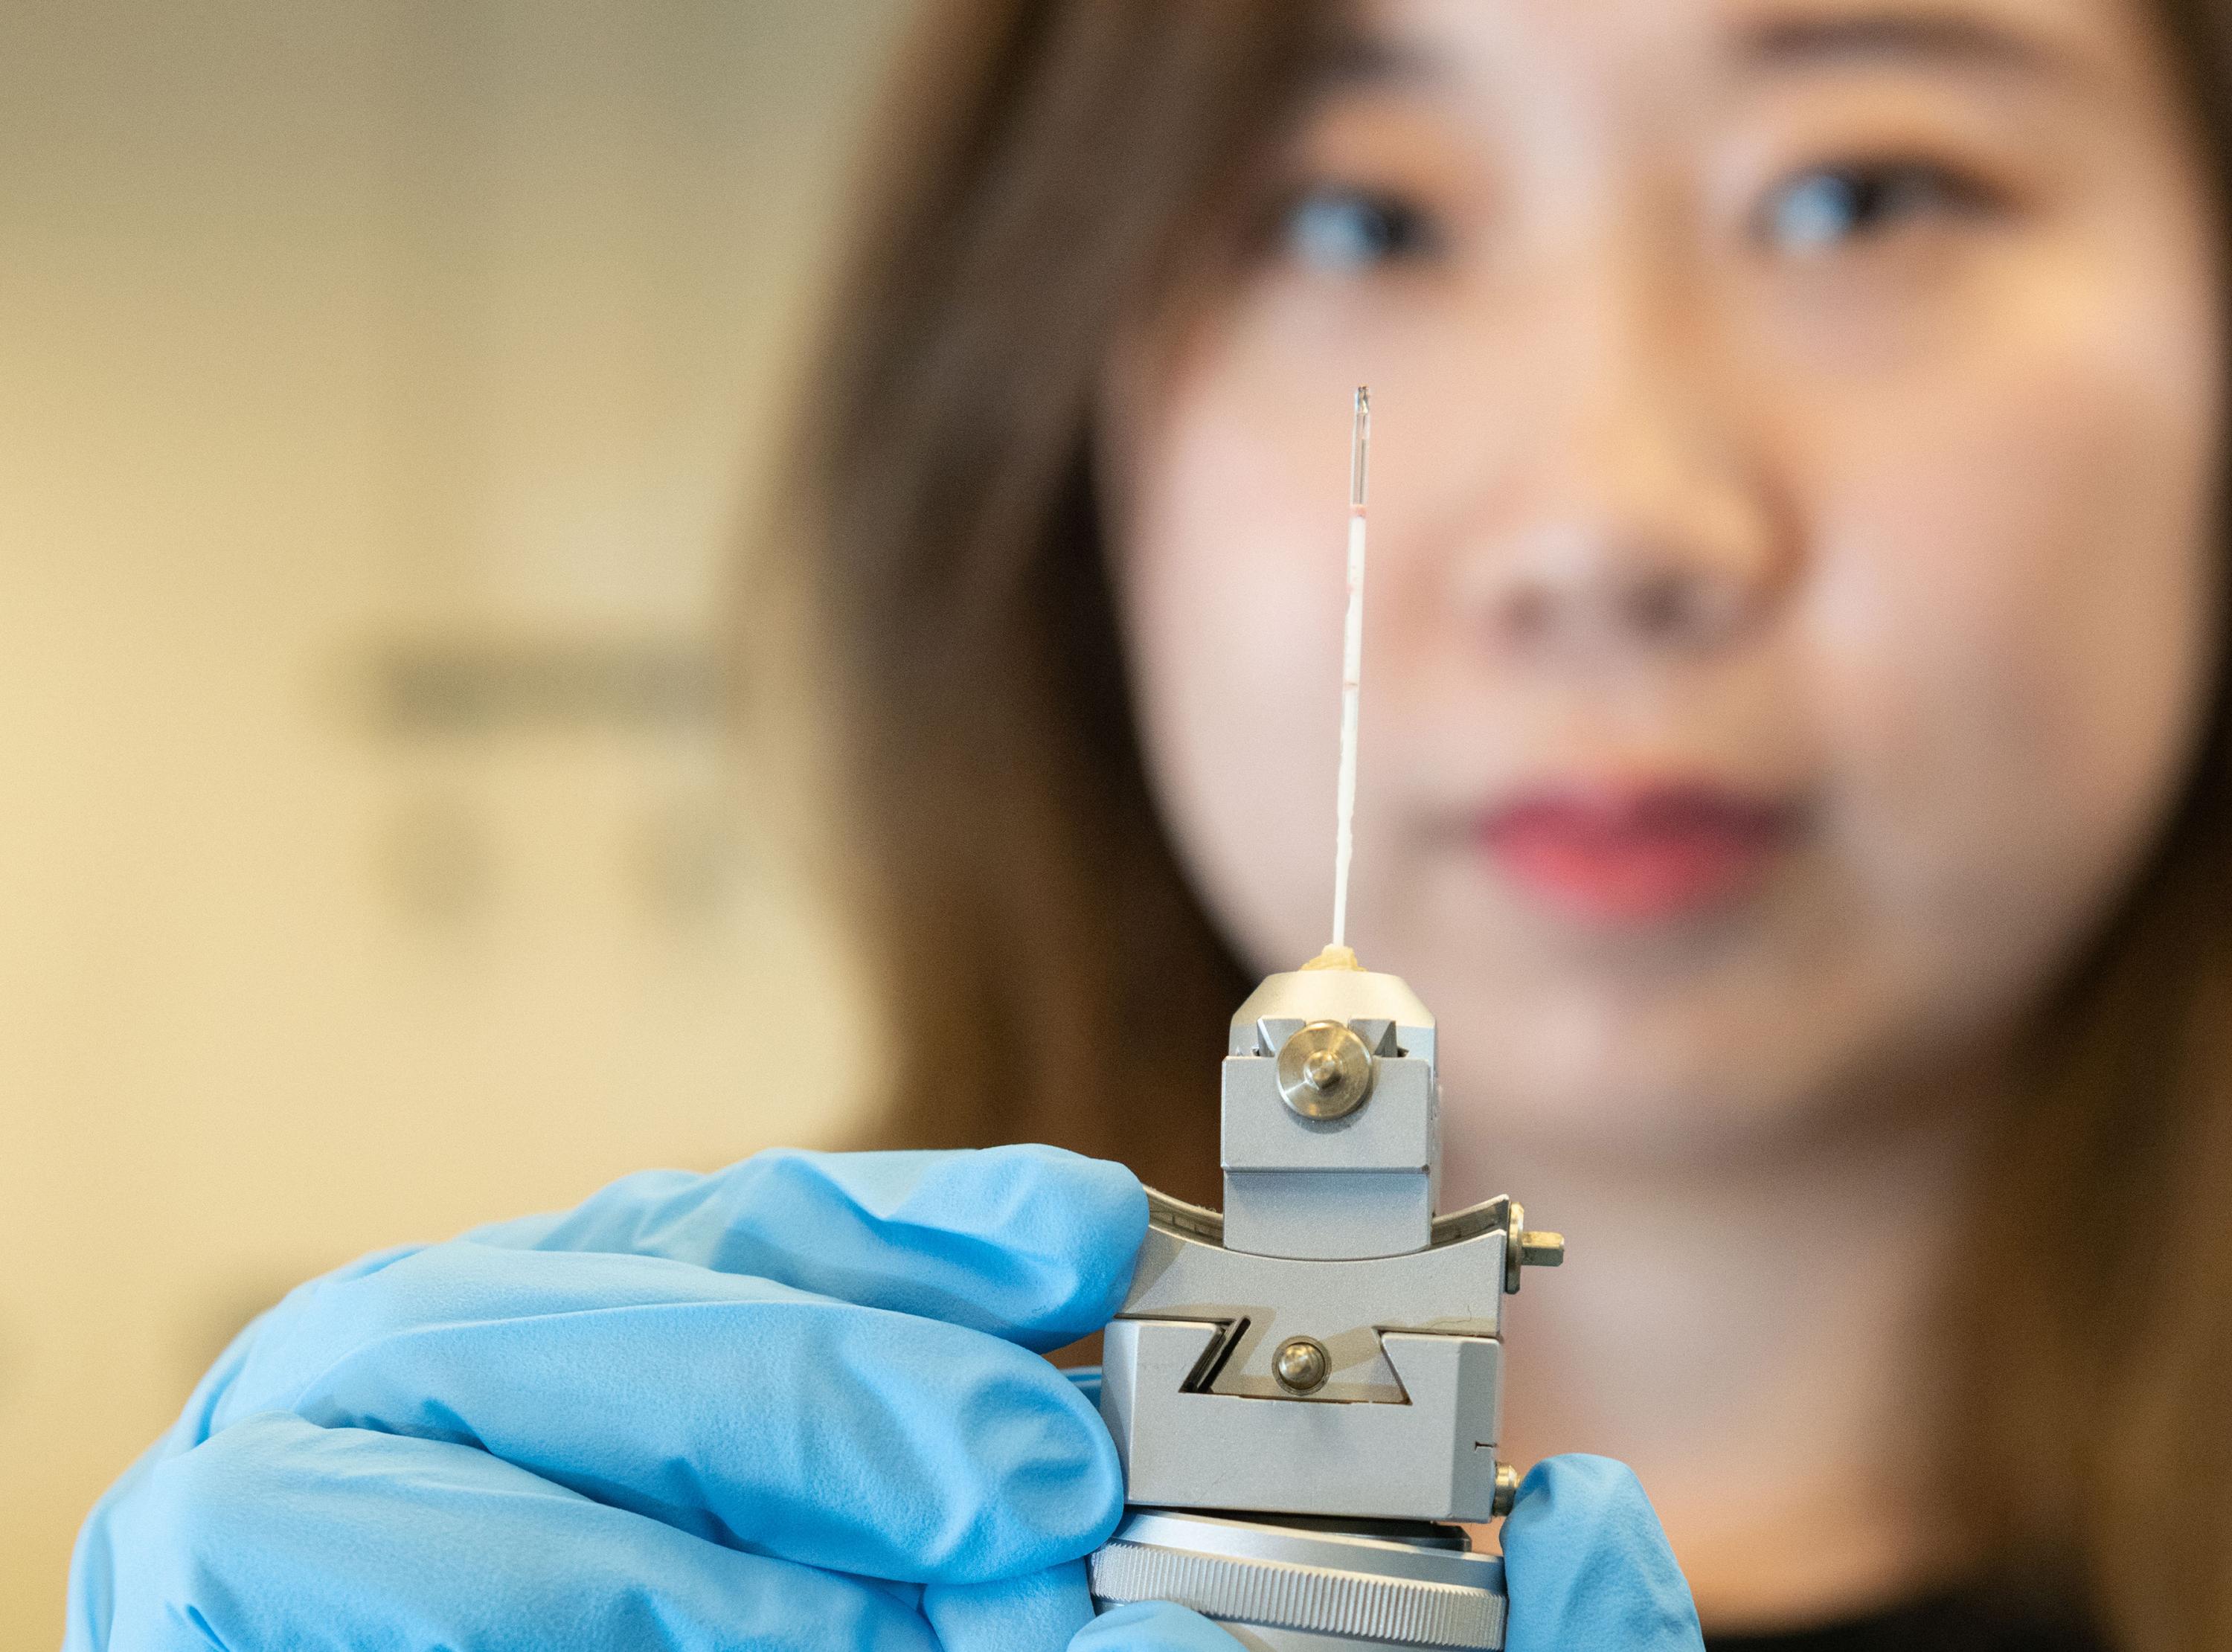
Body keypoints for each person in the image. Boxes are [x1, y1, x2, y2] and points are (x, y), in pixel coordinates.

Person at [64, 0, 2232, 1648]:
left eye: (1865, 189)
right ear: (1037, 422)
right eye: (1354, 214)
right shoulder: (781, 1531)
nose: (1607, 520)